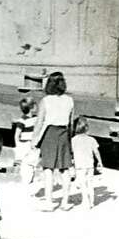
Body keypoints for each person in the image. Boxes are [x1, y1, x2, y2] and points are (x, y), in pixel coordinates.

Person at [32, 70, 74, 209]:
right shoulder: (69, 100)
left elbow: (39, 122)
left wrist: (34, 139)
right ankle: (65, 202)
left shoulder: (45, 101)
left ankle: (49, 202)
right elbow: (71, 122)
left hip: (49, 134)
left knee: (48, 169)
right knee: (65, 169)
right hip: (64, 133)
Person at [70, 116, 103, 209]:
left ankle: (85, 202)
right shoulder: (91, 139)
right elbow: (96, 152)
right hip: (90, 165)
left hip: (80, 165)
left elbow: (71, 152)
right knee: (90, 183)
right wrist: (100, 162)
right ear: (87, 128)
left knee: (83, 184)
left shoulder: (74, 140)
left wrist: (71, 162)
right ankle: (91, 202)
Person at [13, 94, 39, 186]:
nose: (37, 106)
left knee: (32, 162)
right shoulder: (22, 120)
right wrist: (18, 146)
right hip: (25, 144)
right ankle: (26, 180)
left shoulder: (35, 118)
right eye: (35, 105)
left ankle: (29, 179)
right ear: (31, 108)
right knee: (26, 164)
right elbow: (17, 134)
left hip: (32, 143)